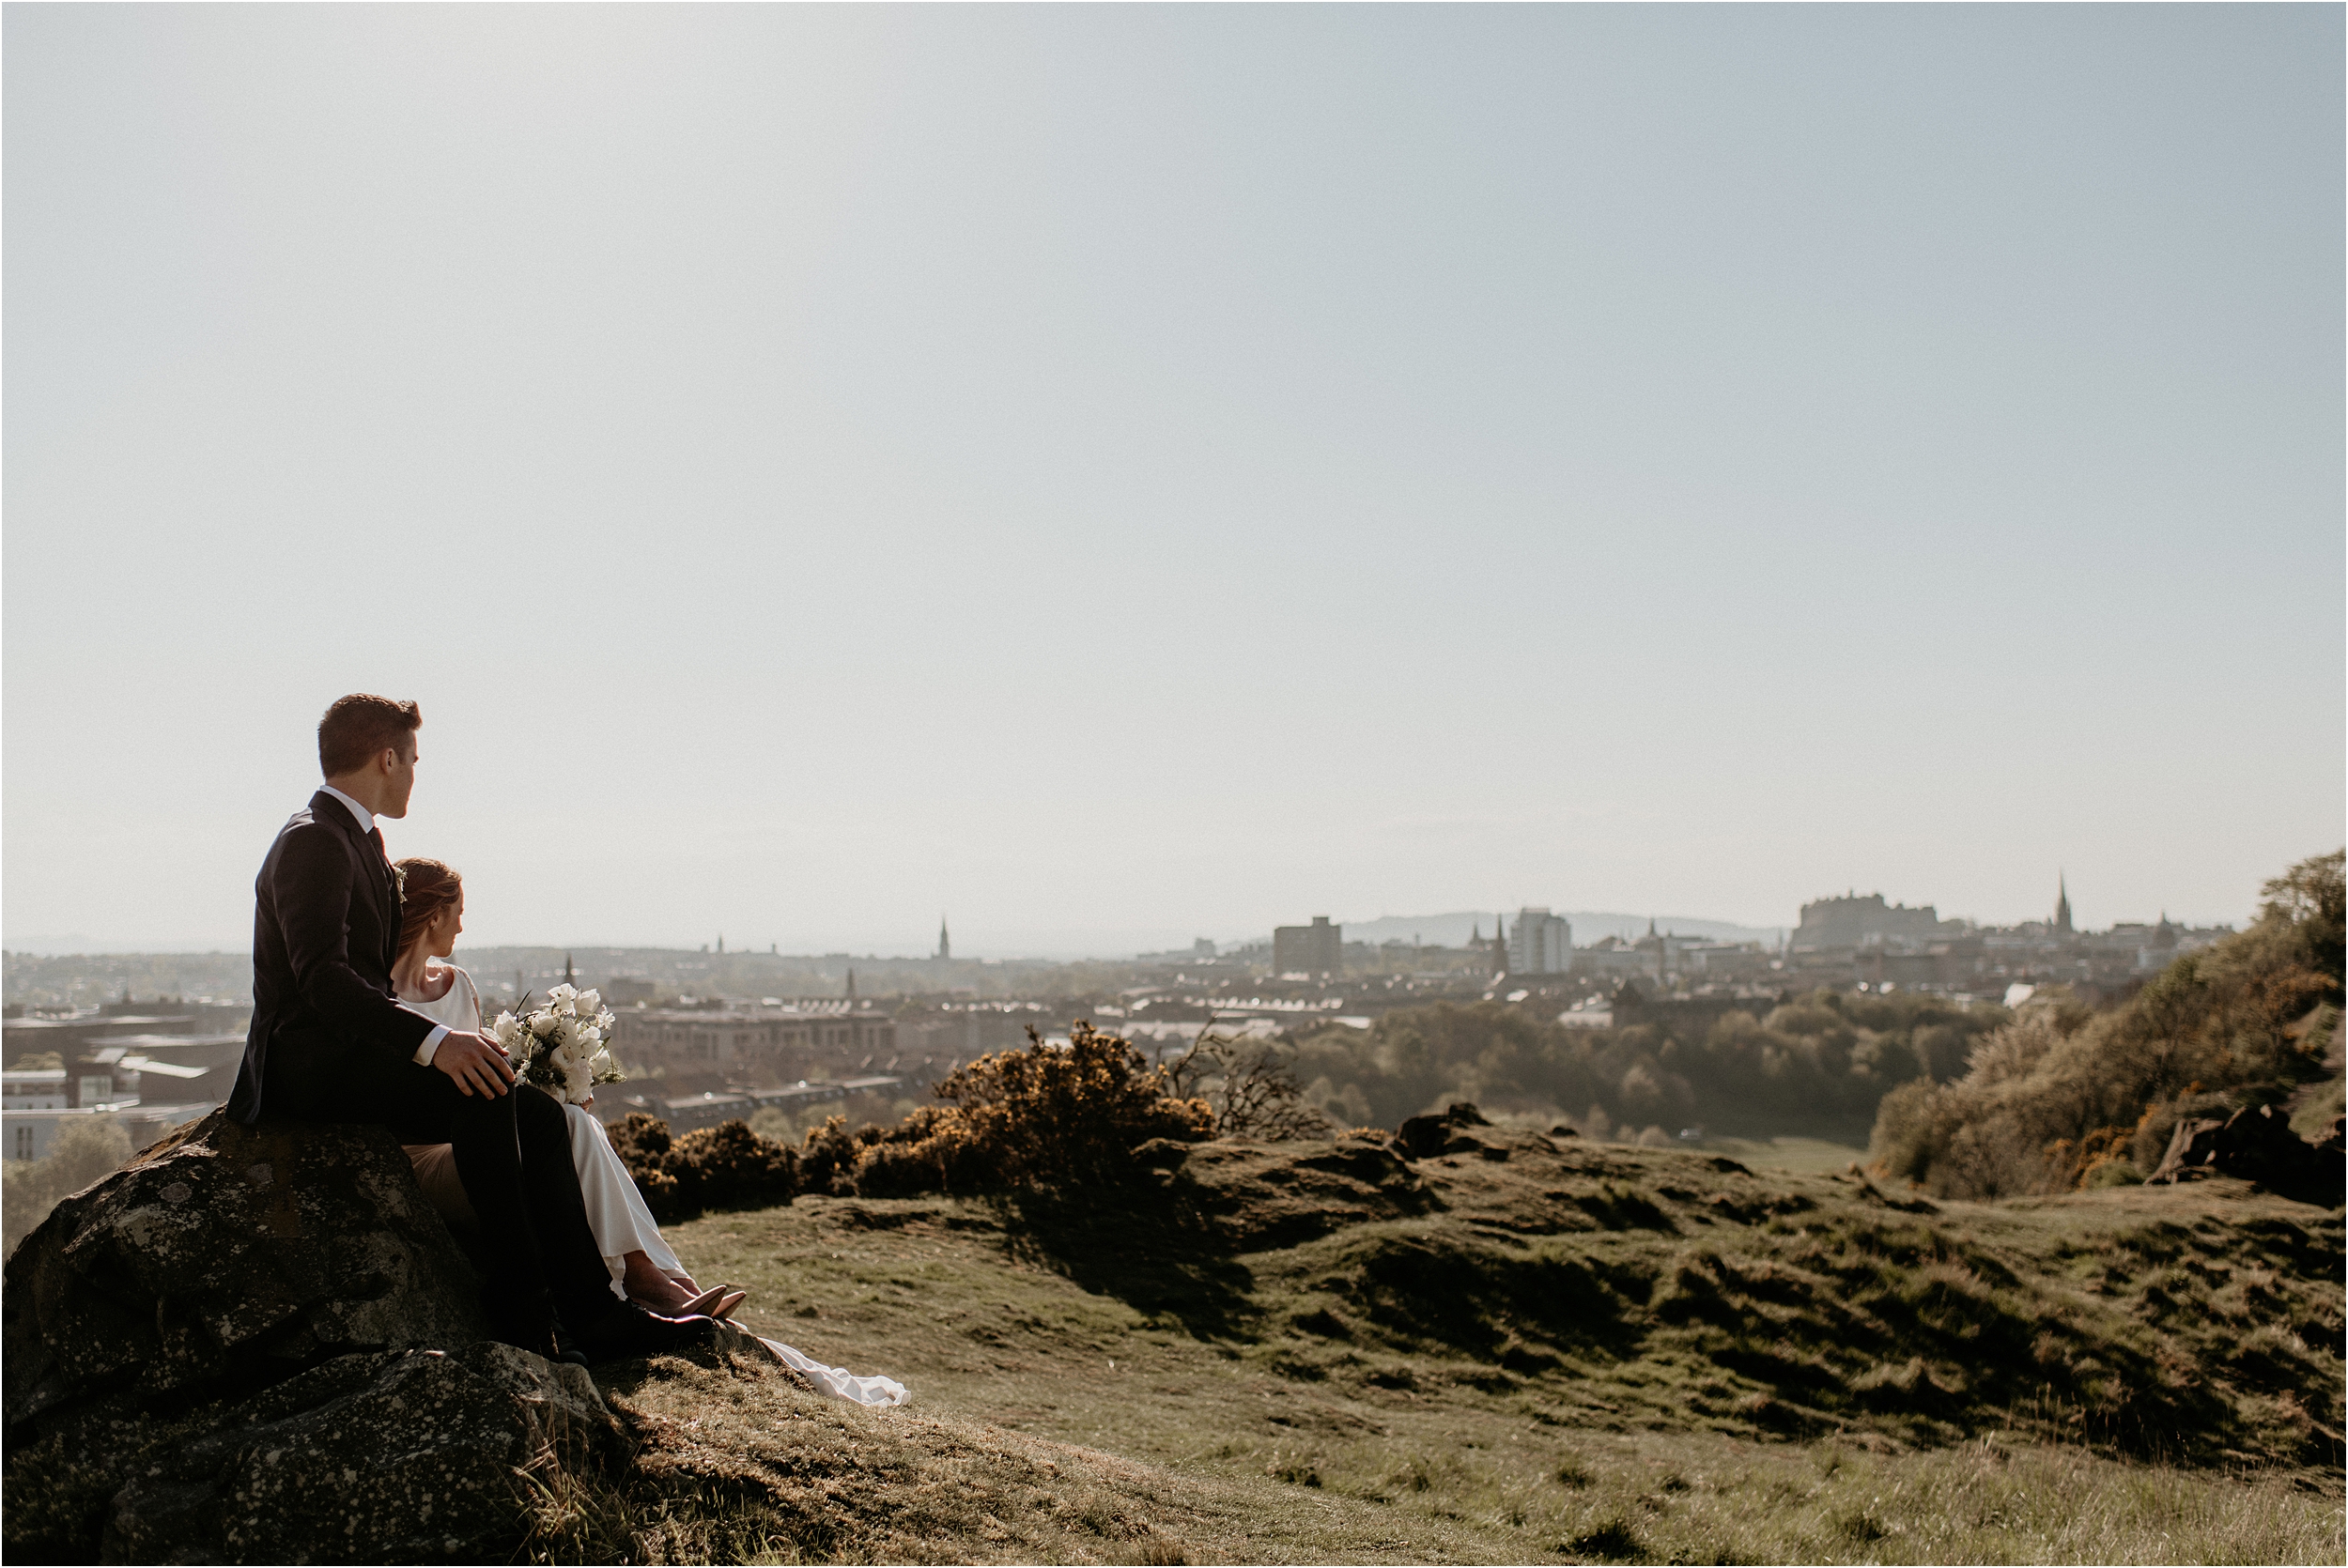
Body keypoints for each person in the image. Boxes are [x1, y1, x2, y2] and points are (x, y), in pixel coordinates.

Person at [224, 693, 714, 1362]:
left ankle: (595, 1312)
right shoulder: (314, 839)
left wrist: (451, 1046)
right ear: (387, 757)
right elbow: (323, 980)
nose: (415, 775)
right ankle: (521, 1311)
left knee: (534, 1115)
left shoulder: (358, 838)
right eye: (414, 759)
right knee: (477, 1091)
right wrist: (433, 1042)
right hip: (308, 1071)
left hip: (349, 1057)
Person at [387, 857, 745, 1320]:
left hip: (491, 1134)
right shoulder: (382, 1003)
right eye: (457, 911)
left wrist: (552, 1089)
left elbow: (492, 1073)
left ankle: (658, 1280)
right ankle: (656, 1280)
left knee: (576, 1119)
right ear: (434, 915)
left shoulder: (460, 986)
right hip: (431, 1157)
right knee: (572, 1125)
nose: (462, 924)